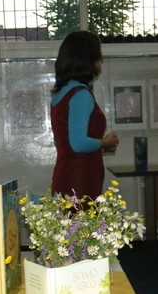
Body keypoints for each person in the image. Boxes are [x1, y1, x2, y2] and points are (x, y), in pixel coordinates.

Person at [50, 31, 119, 200]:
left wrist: (99, 144)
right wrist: (105, 142)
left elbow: (63, 141)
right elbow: (78, 144)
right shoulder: (80, 94)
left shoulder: (61, 93)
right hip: (79, 180)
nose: (99, 66)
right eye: (98, 59)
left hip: (66, 175)